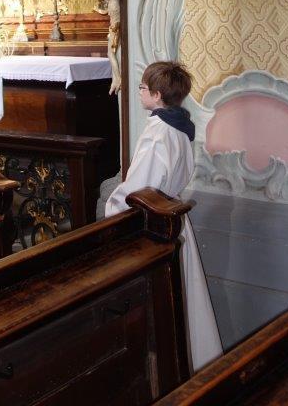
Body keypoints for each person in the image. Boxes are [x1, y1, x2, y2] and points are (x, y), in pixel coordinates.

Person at [106, 61, 222, 373]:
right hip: (173, 216)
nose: (139, 92)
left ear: (157, 95)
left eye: (143, 88)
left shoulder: (159, 133)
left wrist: (112, 207)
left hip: (155, 225)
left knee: (164, 313)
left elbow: (141, 189)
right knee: (187, 305)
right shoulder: (180, 126)